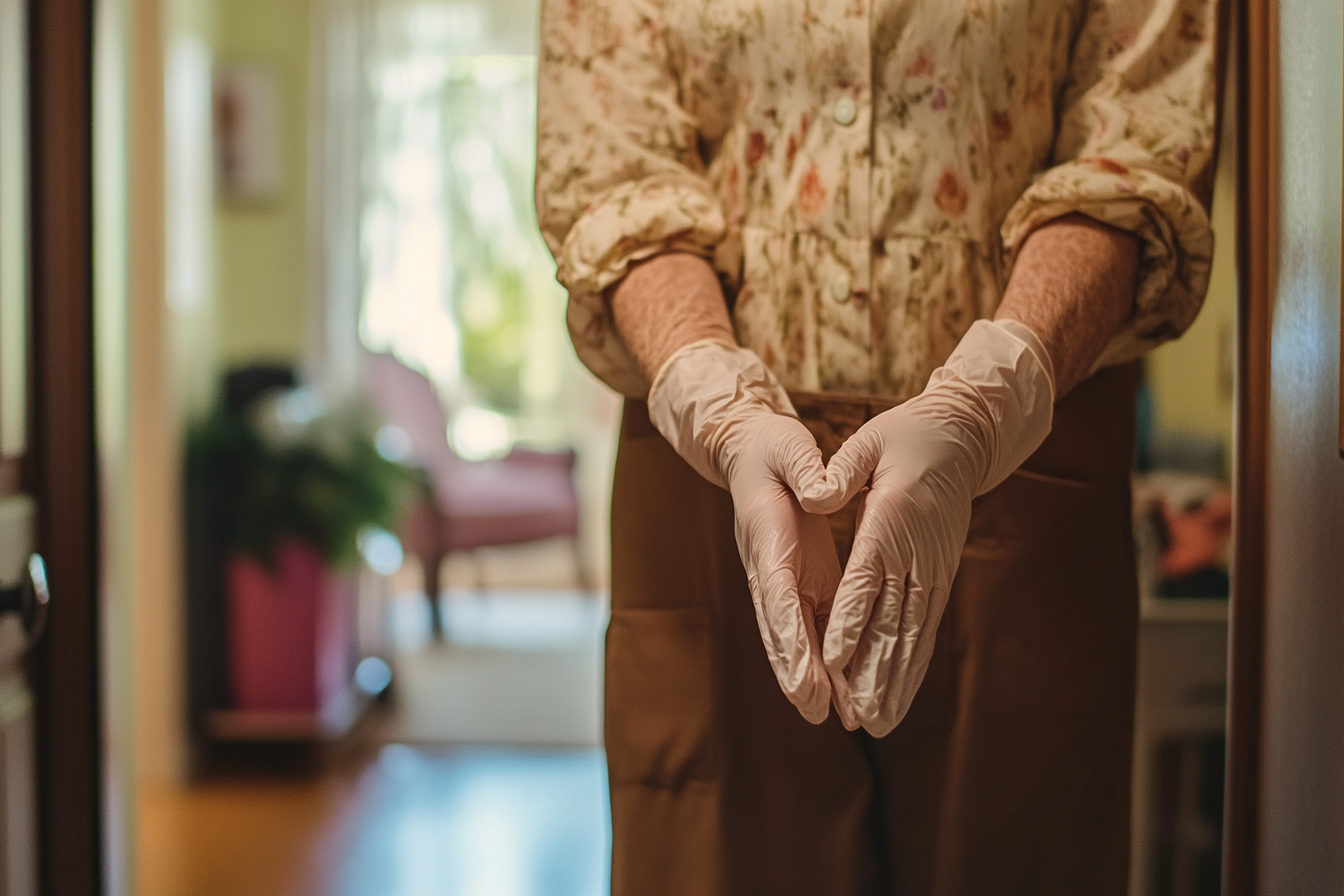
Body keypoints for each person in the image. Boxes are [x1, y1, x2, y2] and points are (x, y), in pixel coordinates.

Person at [535, 1, 1220, 893]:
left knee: (1018, 856)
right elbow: (613, 168)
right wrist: (723, 410)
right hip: (715, 480)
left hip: (1025, 458)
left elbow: (1137, 146)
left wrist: (984, 404)